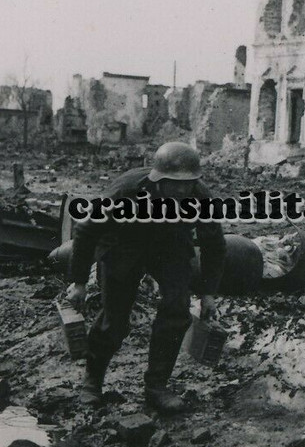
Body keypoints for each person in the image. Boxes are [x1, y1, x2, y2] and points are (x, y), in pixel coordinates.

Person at [65, 141, 226, 414]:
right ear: (158, 180)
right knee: (114, 319)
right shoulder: (126, 190)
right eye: (175, 184)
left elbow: (214, 243)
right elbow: (85, 230)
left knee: (177, 309)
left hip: (170, 246)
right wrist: (79, 282)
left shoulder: (200, 196)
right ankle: (92, 382)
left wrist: (209, 293)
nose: (183, 190)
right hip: (123, 245)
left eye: (188, 183)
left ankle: (156, 386)